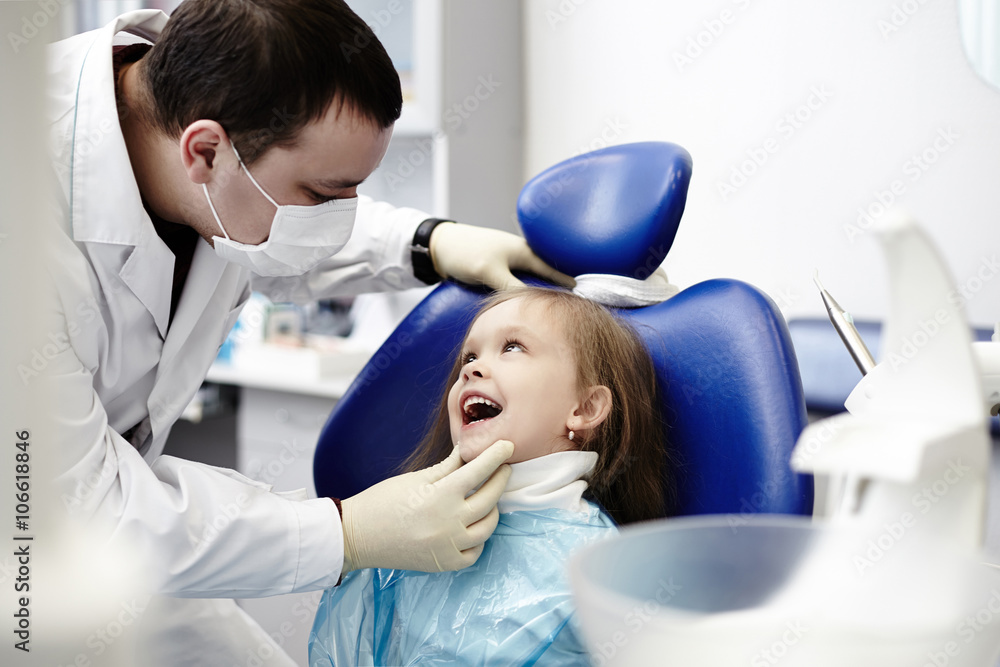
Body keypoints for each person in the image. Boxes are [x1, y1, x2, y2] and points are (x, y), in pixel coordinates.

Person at [41, 1, 570, 663]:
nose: (337, 219)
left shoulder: (205, 129)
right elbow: (80, 507)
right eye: (323, 197)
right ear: (205, 151)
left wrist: (428, 242)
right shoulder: (28, 216)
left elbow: (277, 218)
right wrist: (346, 533)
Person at [309, 286, 677, 666]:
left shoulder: (602, 570)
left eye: (513, 347)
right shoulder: (405, 535)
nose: (470, 369)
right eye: (469, 356)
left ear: (585, 408)